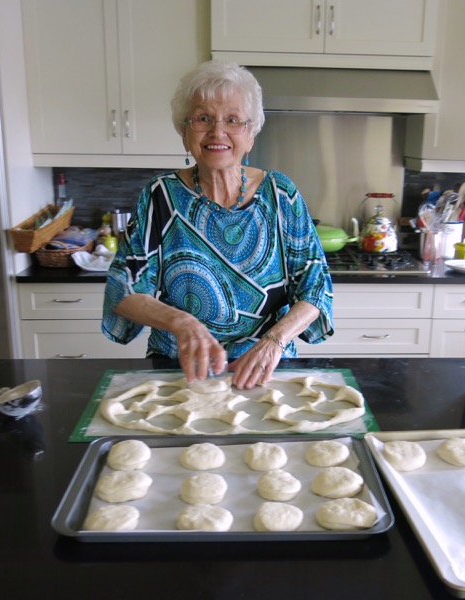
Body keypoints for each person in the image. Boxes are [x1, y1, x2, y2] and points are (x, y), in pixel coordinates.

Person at [102, 61, 333, 389]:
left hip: (265, 367)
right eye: (203, 118)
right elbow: (123, 290)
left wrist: (275, 341)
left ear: (251, 135)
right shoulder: (160, 196)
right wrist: (182, 323)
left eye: (233, 120)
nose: (217, 132)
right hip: (180, 367)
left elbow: (316, 289)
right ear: (184, 132)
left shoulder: (281, 195)